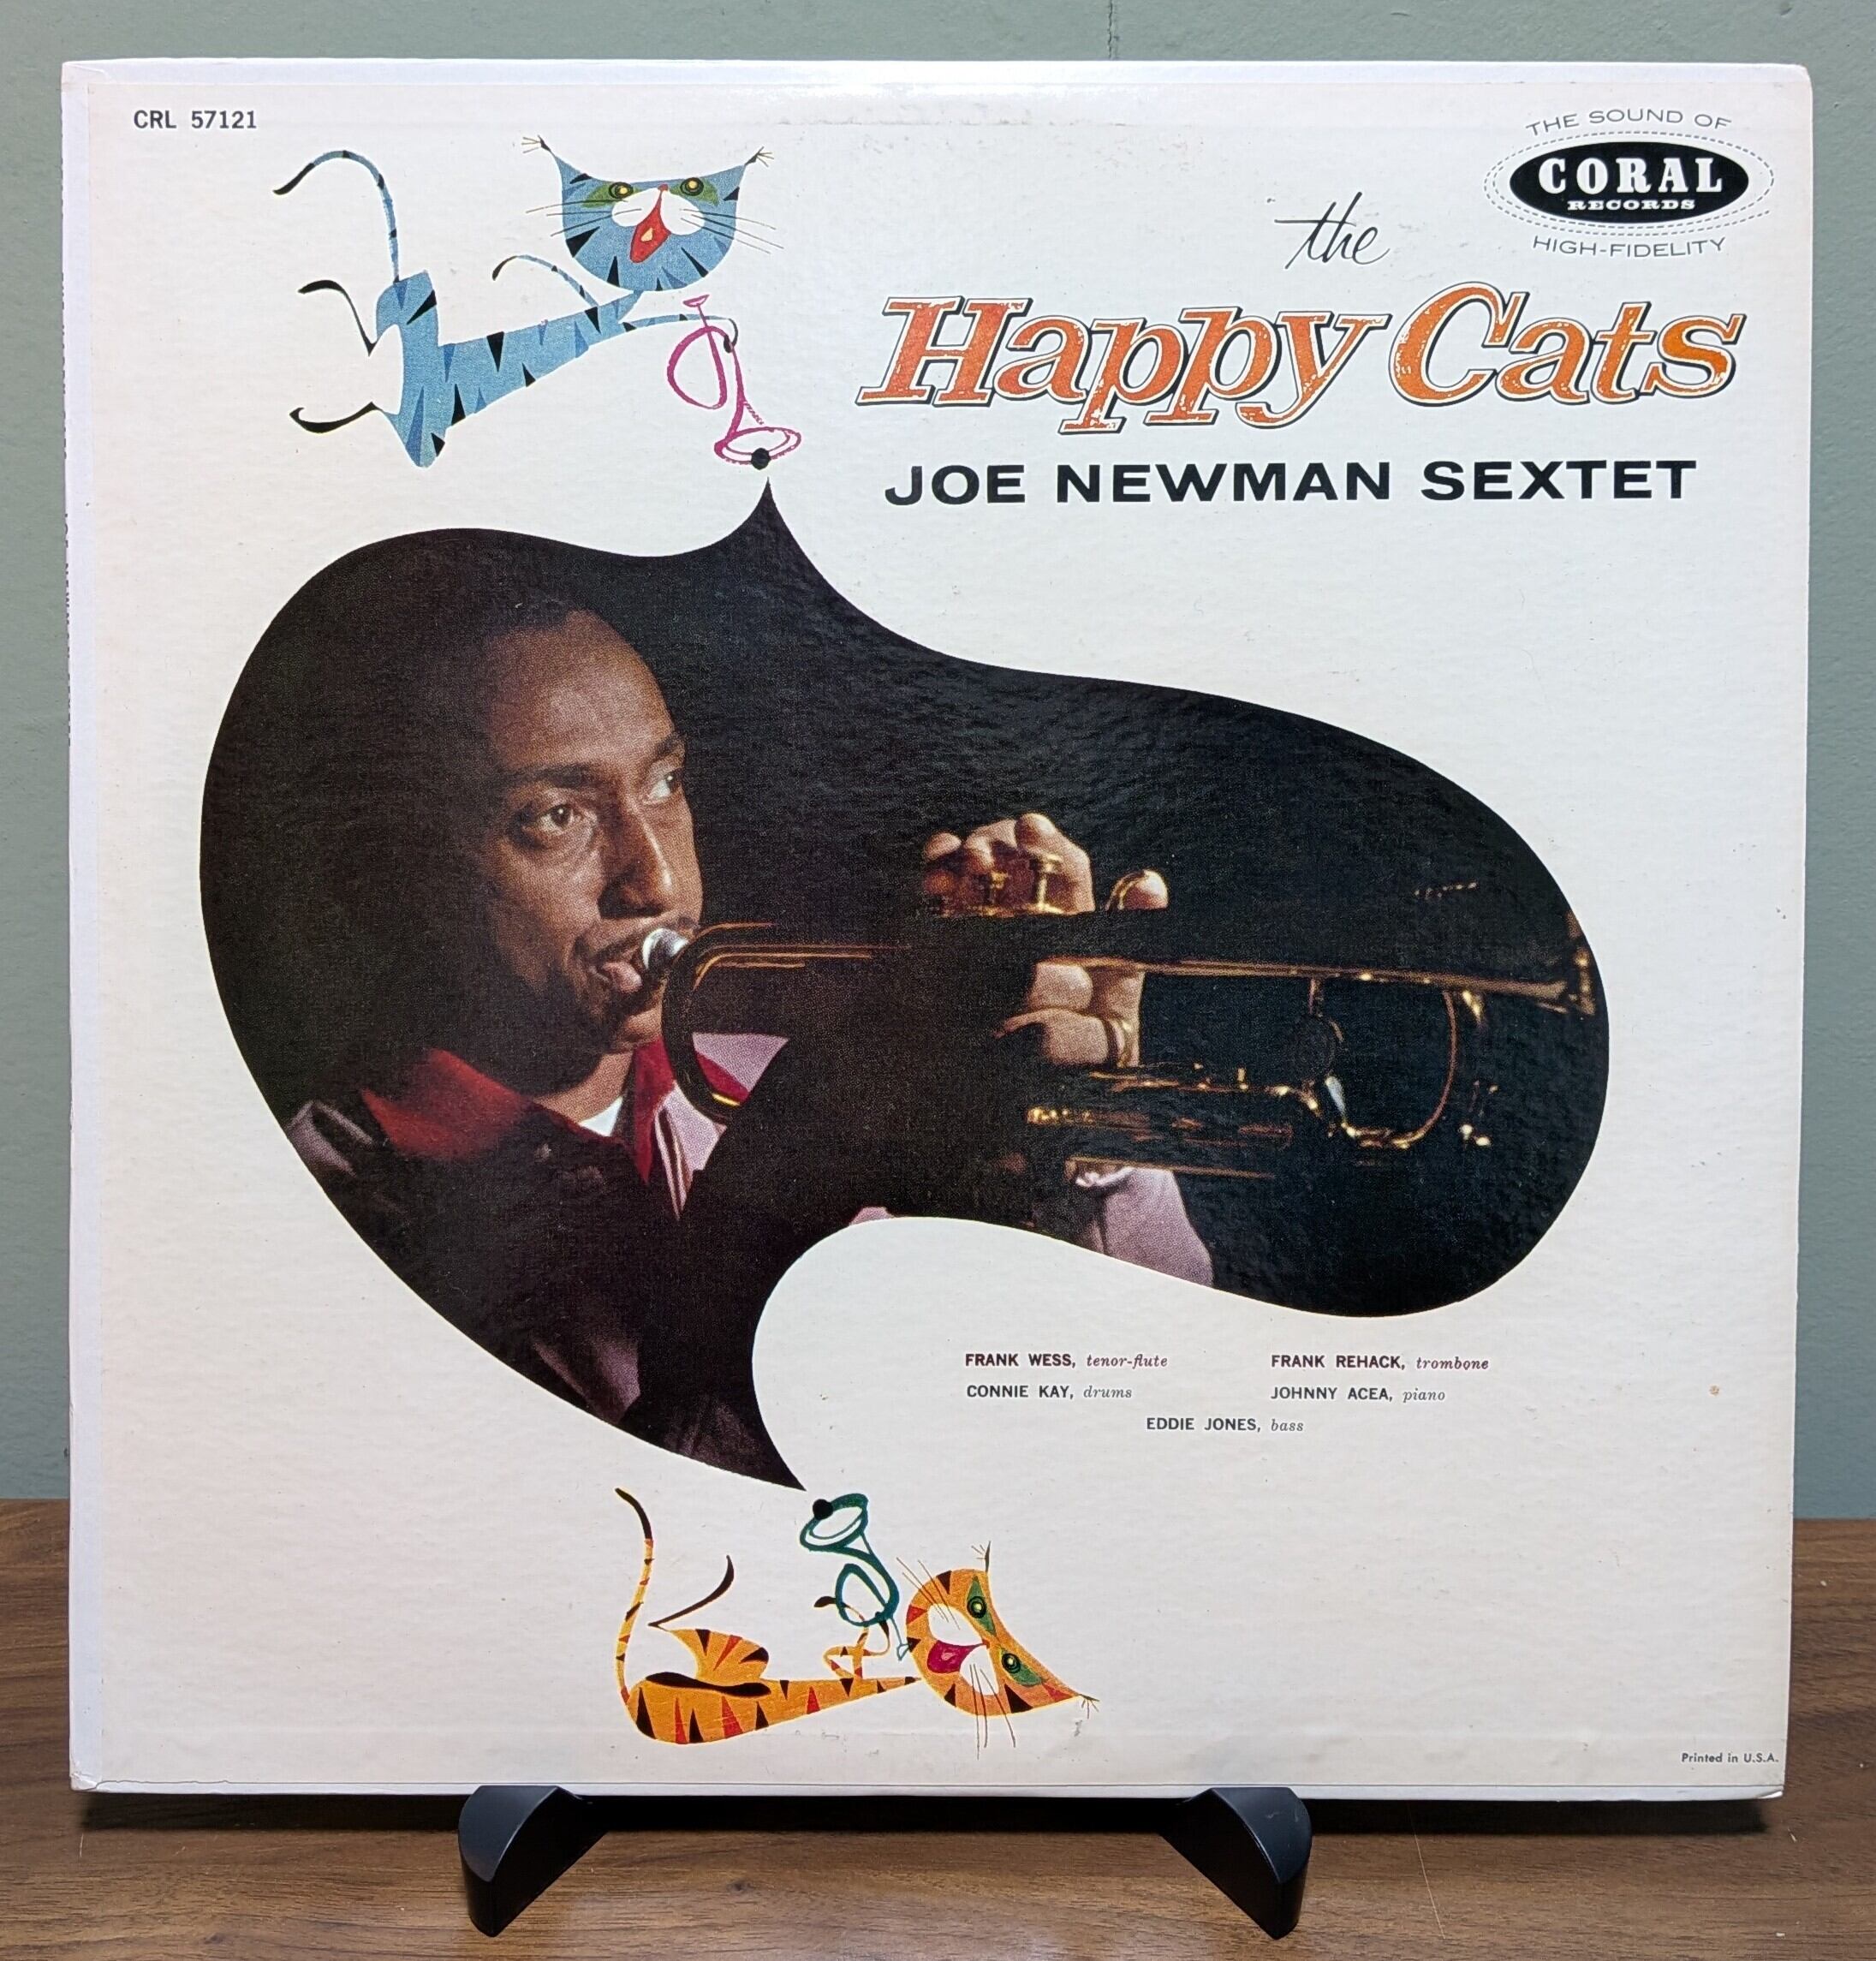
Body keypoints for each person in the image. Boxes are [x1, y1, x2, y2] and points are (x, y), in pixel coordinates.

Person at [274, 570, 1209, 1482]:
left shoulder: (782, 1081)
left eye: (665, 781)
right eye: (556, 816)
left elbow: (1140, 1419)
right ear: (395, 871)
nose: (656, 881)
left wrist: (1073, 1150)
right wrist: (762, 1225)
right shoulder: (312, 1224)